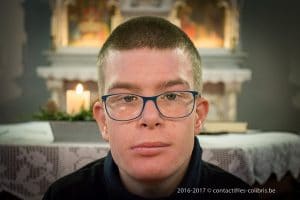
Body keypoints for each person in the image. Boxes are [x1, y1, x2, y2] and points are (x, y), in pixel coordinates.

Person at [43, 16, 258, 200]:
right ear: (103, 121)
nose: (150, 117)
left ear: (198, 116)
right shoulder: (63, 196)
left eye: (171, 96)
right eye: (127, 98)